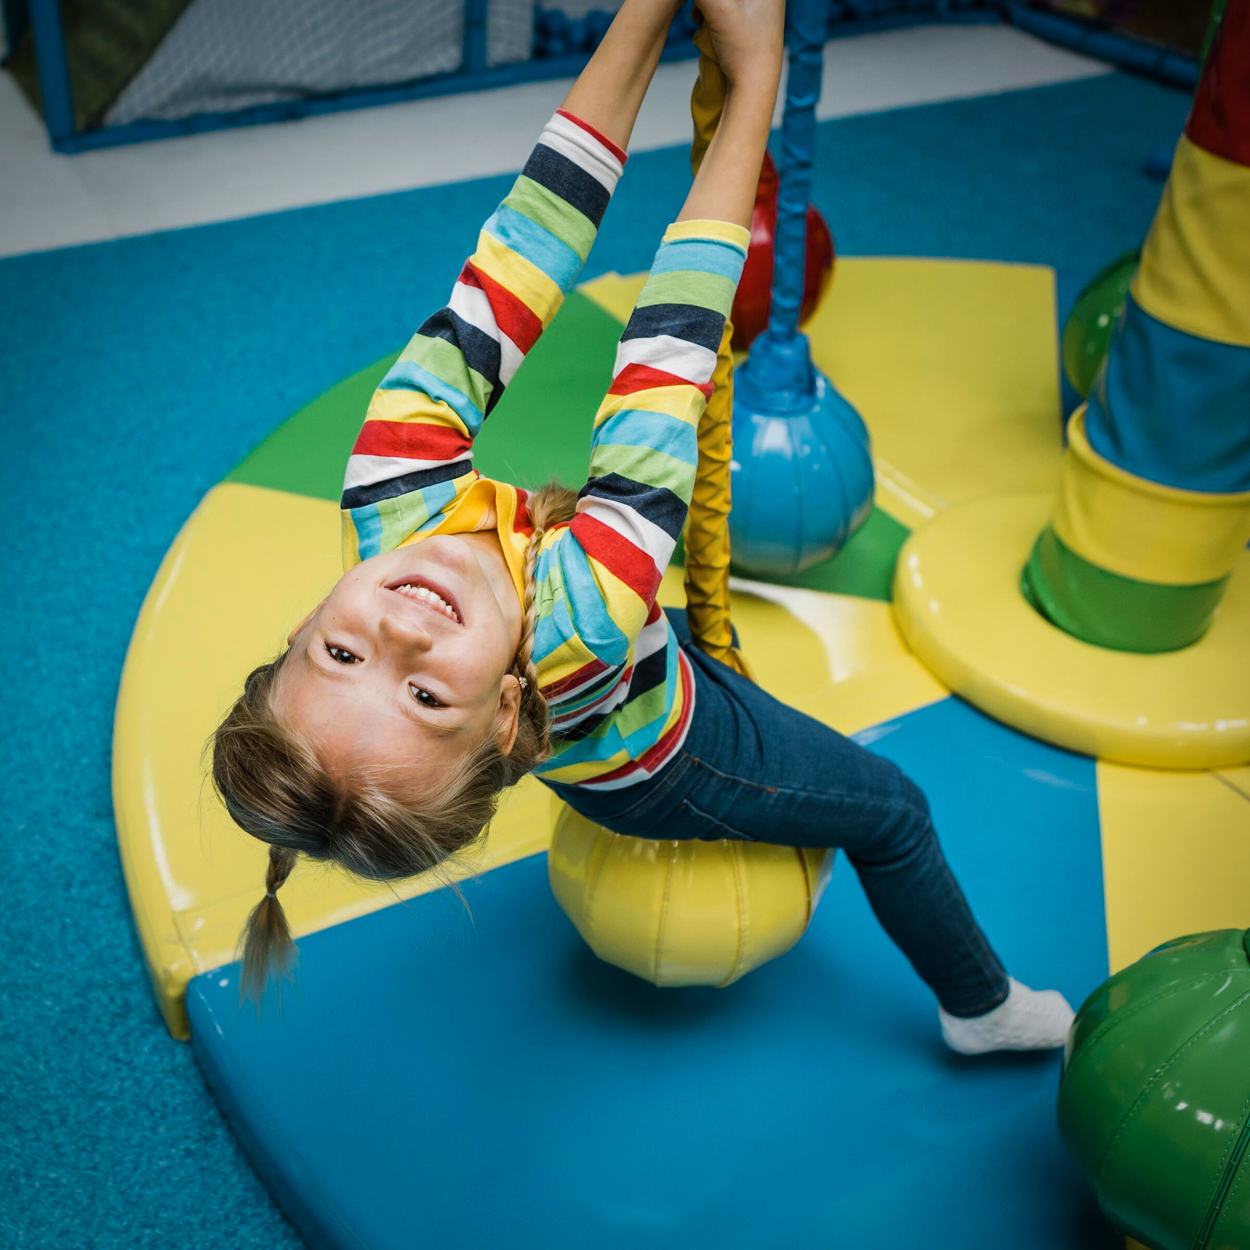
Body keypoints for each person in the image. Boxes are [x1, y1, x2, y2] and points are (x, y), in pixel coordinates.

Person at [212, 0, 1074, 1055]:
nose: (400, 630)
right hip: (664, 755)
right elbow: (670, 342)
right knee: (890, 807)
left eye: (340, 649)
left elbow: (518, 251)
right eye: (424, 691)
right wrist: (752, 75)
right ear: (502, 720)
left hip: (607, 651)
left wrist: (642, 13)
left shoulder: (388, 490)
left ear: (307, 617)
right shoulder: (579, 623)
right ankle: (979, 1005)